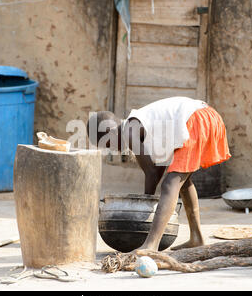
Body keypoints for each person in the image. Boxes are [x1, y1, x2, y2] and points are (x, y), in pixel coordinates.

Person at [87, 97, 231, 251]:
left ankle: (151, 245)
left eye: (109, 144)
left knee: (170, 184)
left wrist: (143, 209)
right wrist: (146, 202)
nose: (114, 150)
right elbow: (157, 169)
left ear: (111, 132)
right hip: (205, 117)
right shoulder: (145, 128)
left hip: (197, 119)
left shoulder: (129, 130)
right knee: (182, 182)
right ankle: (197, 238)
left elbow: (151, 173)